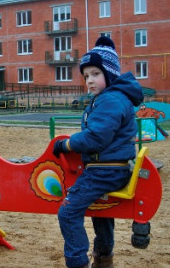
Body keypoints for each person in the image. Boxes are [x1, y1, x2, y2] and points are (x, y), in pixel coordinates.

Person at [52, 36, 144, 268]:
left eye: (95, 74)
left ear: (110, 74)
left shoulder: (111, 99)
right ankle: (104, 259)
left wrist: (67, 144)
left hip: (105, 171)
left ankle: (77, 262)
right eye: (86, 76)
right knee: (100, 212)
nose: (89, 81)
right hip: (112, 168)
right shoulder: (111, 98)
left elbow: (95, 137)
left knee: (68, 213)